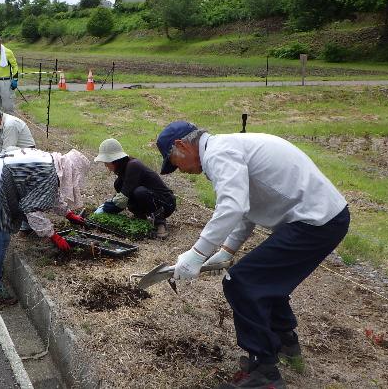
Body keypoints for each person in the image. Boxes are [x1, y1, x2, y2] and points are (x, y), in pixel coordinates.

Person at [155, 121, 350, 389]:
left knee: (241, 282)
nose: (180, 170)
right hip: (320, 218)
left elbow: (233, 206)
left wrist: (197, 253)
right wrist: (226, 251)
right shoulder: (225, 147)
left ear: (182, 145)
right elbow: (247, 207)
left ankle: (265, 373)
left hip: (315, 222)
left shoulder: (218, 153)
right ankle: (284, 343)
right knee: (265, 280)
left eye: (175, 162)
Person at [0, 148, 90, 304]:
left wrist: (68, 214)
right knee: (1, 239)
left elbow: (50, 195)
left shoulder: (51, 163)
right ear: (71, 172)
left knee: (8, 229)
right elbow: (32, 210)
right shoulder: (49, 174)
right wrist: (53, 235)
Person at [93, 138, 176, 239]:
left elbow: (123, 198)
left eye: (106, 162)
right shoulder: (123, 171)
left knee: (139, 192)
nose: (106, 166)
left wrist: (105, 208)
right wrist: (108, 205)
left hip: (166, 203)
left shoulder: (133, 165)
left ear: (113, 160)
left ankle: (160, 223)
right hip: (153, 199)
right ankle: (141, 217)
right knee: (119, 185)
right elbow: (123, 195)